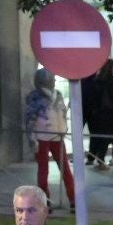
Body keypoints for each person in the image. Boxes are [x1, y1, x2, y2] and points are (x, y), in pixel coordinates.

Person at [23, 70, 74, 210]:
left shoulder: (58, 94)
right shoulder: (34, 97)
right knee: (43, 170)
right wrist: (32, 139)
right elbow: (29, 119)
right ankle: (44, 201)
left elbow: (63, 113)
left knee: (65, 169)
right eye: (52, 78)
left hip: (58, 137)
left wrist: (64, 128)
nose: (54, 81)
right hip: (41, 138)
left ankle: (73, 199)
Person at [85, 58, 113, 170]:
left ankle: (100, 161)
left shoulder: (96, 81)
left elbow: (91, 99)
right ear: (112, 68)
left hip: (99, 116)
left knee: (102, 140)